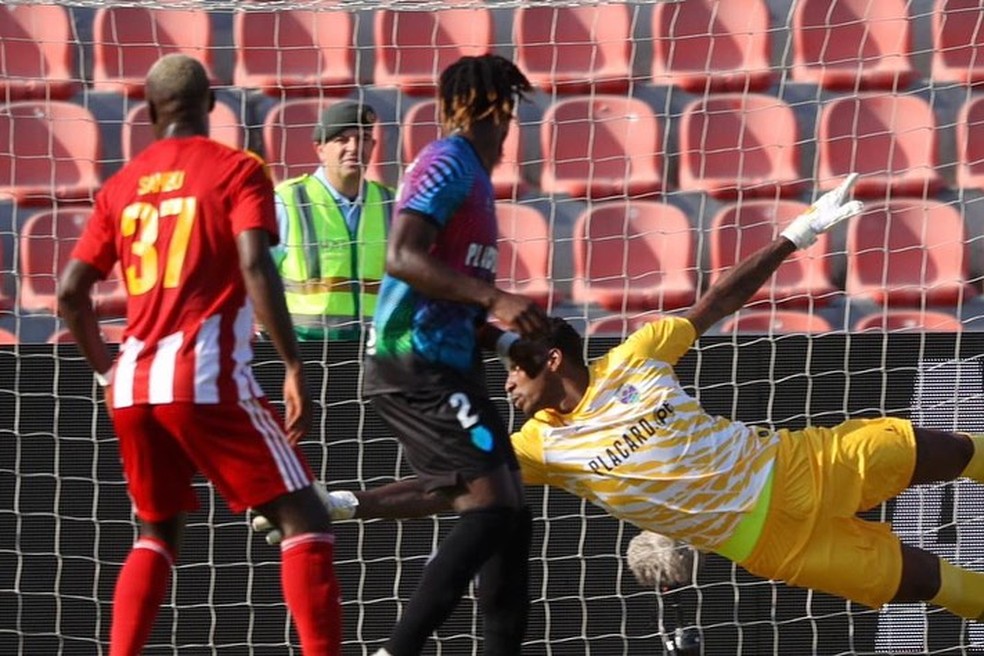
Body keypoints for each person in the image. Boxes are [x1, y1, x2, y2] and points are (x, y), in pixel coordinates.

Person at [259, 173, 984, 623]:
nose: (505, 385)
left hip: (805, 464)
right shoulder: (536, 449)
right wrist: (347, 504)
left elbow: (716, 302)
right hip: (775, 545)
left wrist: (797, 233)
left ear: (550, 359)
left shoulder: (639, 354)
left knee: (953, 451)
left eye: (513, 372)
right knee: (933, 584)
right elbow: (443, 488)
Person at [57, 54, 341, 655]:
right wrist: (292, 364)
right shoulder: (237, 169)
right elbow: (254, 262)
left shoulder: (120, 186)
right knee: (306, 518)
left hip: (132, 383)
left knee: (156, 532)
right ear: (211, 104)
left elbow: (69, 293)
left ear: (148, 111)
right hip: (203, 375)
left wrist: (106, 371)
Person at [361, 54, 549, 656]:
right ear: (497, 110)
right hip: (413, 362)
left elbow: (453, 299)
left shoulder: (475, 181)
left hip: (451, 365)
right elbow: (401, 258)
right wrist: (496, 298)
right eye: (507, 111)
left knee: (512, 514)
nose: (509, 125)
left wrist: (507, 341)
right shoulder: (445, 161)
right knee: (489, 509)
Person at [272, 100, 394, 341]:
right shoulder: (287, 201)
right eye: (342, 140)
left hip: (373, 347)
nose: (354, 147)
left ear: (373, 146)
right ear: (320, 149)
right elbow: (256, 277)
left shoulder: (390, 203)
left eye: (363, 139)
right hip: (305, 346)